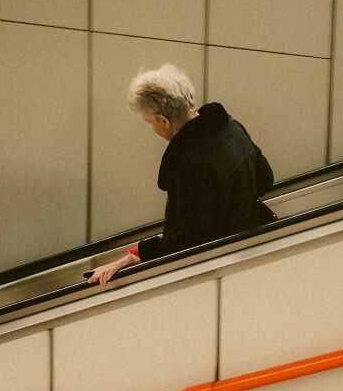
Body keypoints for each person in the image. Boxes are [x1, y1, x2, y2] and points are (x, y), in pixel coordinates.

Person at [87, 64, 275, 285]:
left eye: (150, 123)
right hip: (259, 244)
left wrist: (135, 255)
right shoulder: (232, 128)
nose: (152, 129)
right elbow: (265, 179)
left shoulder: (187, 165)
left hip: (224, 270)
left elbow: (184, 242)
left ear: (163, 121)